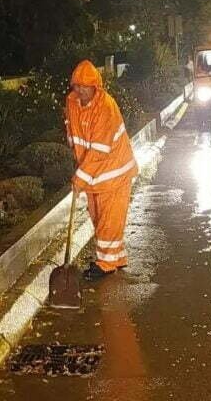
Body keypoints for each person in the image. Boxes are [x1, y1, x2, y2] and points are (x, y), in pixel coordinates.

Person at [65, 60, 138, 281]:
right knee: (98, 218)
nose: (80, 90)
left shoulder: (106, 107)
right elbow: (75, 135)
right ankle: (116, 257)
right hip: (94, 174)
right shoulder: (72, 102)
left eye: (84, 86)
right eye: (76, 85)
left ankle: (106, 264)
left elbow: (99, 150)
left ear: (95, 87)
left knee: (109, 219)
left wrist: (79, 178)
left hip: (114, 172)